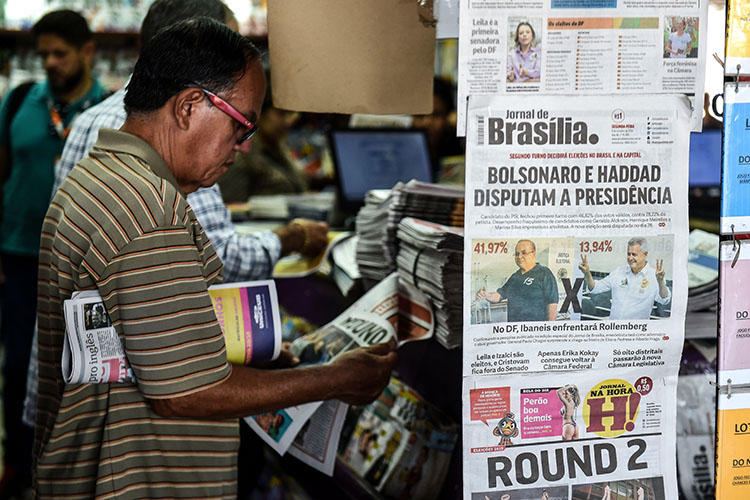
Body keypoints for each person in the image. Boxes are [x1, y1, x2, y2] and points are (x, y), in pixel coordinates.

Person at [34, 17, 397, 498]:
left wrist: (258, 364)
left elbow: (146, 336)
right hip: (136, 480)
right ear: (188, 107)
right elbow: (186, 393)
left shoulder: (103, 174)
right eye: (241, 124)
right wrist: (336, 378)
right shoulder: (146, 208)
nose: (244, 147)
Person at [53, 0, 326, 285]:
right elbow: (217, 257)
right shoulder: (176, 140)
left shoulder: (89, 118)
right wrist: (289, 239)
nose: (243, 144)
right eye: (228, 52)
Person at [0, 9, 107, 495]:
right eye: (43, 54)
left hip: (84, 264)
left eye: (60, 53)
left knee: (81, 366)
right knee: (19, 360)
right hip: (20, 255)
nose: (50, 63)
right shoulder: (20, 100)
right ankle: (20, 463)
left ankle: (76, 467)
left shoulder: (110, 110)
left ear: (87, 52)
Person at [218, 76, 308, 202]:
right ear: (259, 114)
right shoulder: (240, 154)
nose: (289, 121)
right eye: (281, 114)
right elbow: (231, 206)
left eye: (292, 113)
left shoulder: (279, 147)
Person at [579, 237, 671, 320]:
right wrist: (587, 273)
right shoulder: (619, 272)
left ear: (645, 254)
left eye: (634, 255)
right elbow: (595, 287)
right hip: (614, 330)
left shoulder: (653, 276)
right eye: (628, 254)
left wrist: (660, 282)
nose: (630, 258)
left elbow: (664, 300)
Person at [476, 239, 558, 322]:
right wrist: (487, 295)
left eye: (524, 253)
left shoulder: (544, 273)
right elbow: (499, 295)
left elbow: (552, 303)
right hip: (515, 330)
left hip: (534, 330)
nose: (519, 256)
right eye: (517, 254)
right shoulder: (514, 277)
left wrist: (548, 329)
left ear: (533, 253)